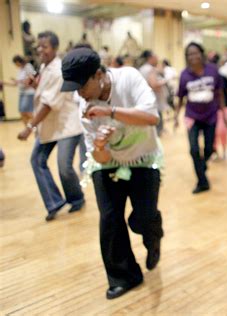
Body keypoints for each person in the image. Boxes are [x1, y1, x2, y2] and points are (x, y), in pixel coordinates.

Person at [61, 47, 164, 299]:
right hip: (107, 164)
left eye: (82, 85)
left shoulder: (128, 77)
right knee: (109, 218)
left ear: (98, 75)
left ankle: (152, 231)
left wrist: (110, 112)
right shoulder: (83, 105)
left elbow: (152, 117)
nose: (79, 93)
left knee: (143, 217)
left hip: (143, 158)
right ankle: (123, 275)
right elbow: (99, 157)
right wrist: (99, 146)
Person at [17, 31, 85, 221]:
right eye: (38, 46)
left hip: (66, 126)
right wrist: (34, 87)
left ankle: (77, 198)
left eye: (44, 46)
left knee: (64, 166)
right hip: (49, 126)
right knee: (37, 160)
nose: (40, 50)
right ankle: (54, 202)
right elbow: (45, 95)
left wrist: (29, 127)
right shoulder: (45, 67)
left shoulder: (58, 70)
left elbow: (48, 104)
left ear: (54, 48)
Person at [176, 42, 225, 194]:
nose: (193, 56)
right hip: (192, 117)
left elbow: (219, 92)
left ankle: (202, 165)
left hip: (210, 115)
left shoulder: (212, 70)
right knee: (194, 149)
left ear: (201, 54)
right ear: (187, 57)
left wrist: (223, 112)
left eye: (196, 53)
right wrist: (176, 117)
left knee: (209, 149)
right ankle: (202, 182)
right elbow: (180, 97)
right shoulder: (184, 75)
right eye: (190, 54)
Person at [139, 50, 169, 136]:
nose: (157, 59)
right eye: (156, 57)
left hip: (146, 100)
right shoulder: (150, 69)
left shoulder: (142, 68)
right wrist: (164, 81)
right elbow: (154, 84)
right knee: (156, 124)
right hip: (153, 100)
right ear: (150, 58)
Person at [0, 55, 36, 125]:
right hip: (22, 93)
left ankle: (35, 125)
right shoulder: (20, 70)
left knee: (28, 112)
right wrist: (4, 82)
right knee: (22, 112)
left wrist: (22, 82)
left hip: (29, 93)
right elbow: (16, 83)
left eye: (15, 63)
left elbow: (32, 79)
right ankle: (27, 128)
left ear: (18, 62)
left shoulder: (28, 67)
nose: (15, 65)